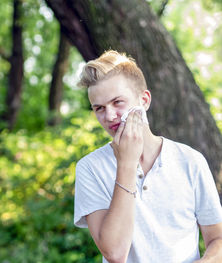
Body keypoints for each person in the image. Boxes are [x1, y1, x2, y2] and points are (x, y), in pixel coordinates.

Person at [74, 50, 222, 263]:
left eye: (117, 102)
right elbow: (115, 253)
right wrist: (126, 163)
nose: (109, 116)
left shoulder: (191, 160)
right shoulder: (89, 168)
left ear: (144, 100)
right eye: (99, 108)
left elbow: (217, 238)